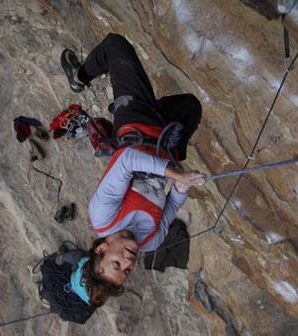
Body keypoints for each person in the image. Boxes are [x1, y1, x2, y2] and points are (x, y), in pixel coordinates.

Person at [54, 33, 205, 312]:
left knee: (115, 46)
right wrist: (183, 187)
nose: (128, 263)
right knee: (190, 107)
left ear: (100, 249)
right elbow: (173, 204)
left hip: (136, 126)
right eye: (126, 271)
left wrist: (175, 175)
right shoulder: (150, 241)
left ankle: (80, 76)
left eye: (116, 264)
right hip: (165, 144)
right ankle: (131, 96)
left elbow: (125, 161)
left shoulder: (103, 215)